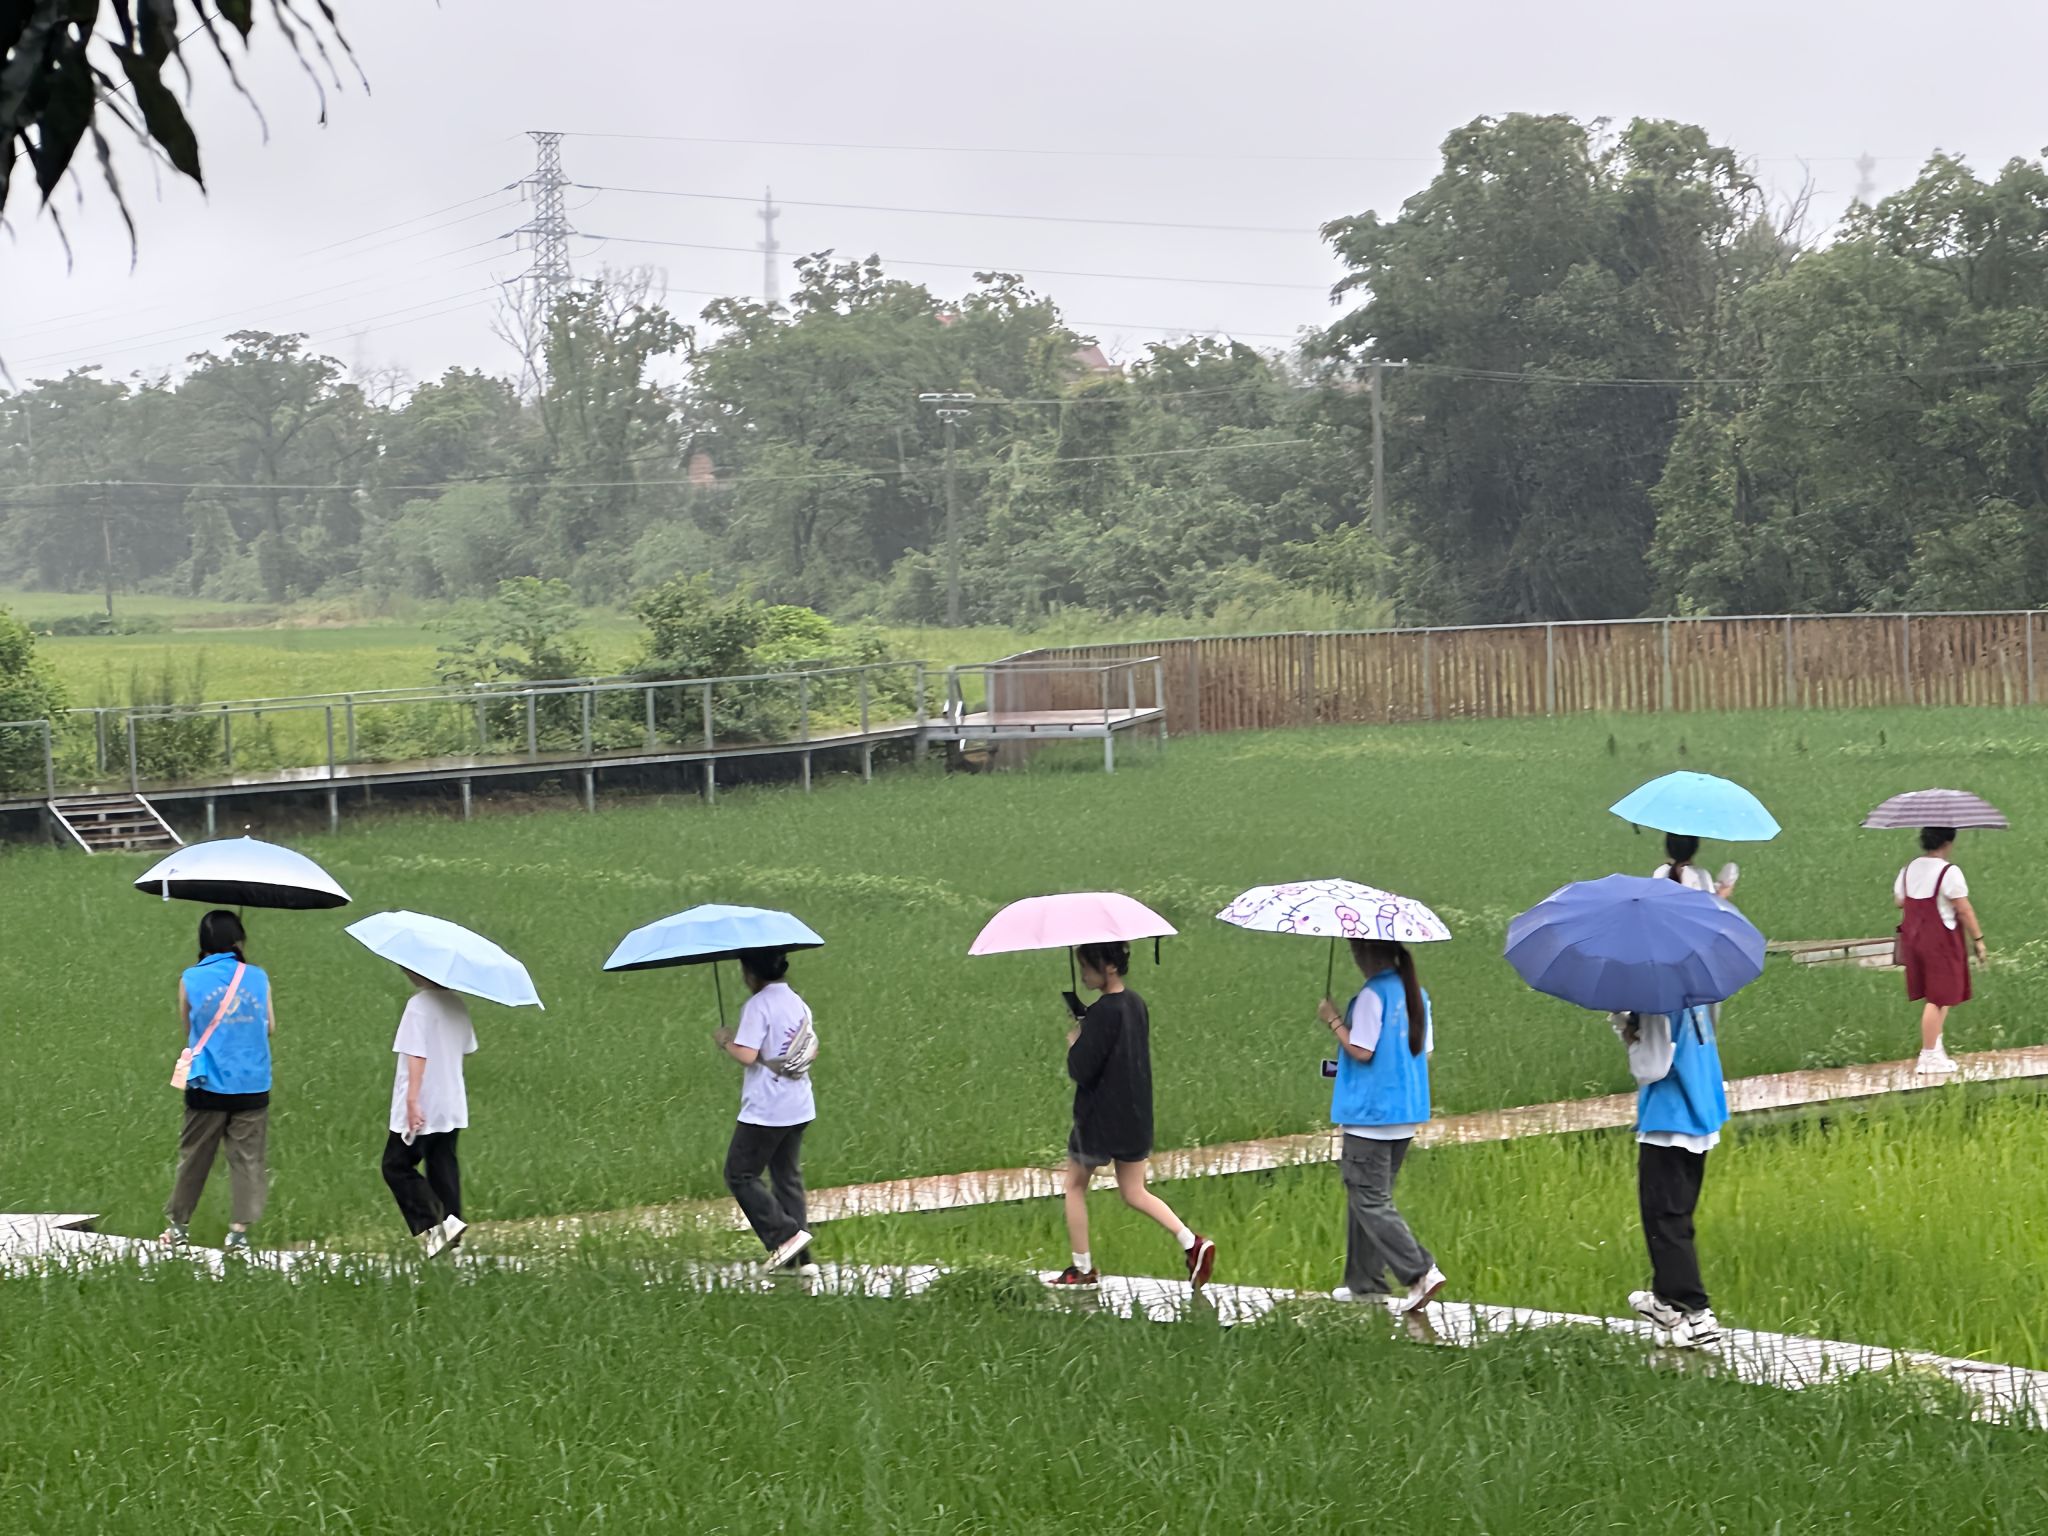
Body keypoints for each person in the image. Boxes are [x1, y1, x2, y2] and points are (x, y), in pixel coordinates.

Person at [1052, 940, 1216, 1290]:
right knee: (1134, 1191)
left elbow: (1081, 1069)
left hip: (1098, 1118)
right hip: (1134, 1114)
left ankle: (1082, 1269)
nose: (1083, 974)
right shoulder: (1136, 1004)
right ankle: (1191, 1242)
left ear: (1109, 966)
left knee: (1074, 1186)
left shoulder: (1102, 1013)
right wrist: (1089, 1025)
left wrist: (1076, 1041)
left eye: (1088, 967)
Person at [1316, 938, 1446, 1315]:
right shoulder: (1416, 993)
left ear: (1365, 953)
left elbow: (1362, 1050)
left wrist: (1333, 1020)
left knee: (1369, 1198)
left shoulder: (1372, 995)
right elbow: (1423, 1051)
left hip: (1371, 1115)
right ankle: (1365, 1284)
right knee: (1368, 1198)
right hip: (1404, 1112)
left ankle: (1419, 1271)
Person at [1614, 1004, 1728, 1350]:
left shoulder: (1655, 998)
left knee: (1663, 1219)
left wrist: (1628, 1032)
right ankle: (1665, 1302)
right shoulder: (1699, 990)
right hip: (1702, 1108)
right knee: (1677, 1214)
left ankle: (1696, 1313)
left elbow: (1651, 1067)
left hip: (1668, 1118)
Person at [160, 910, 274, 1254]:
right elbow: (270, 1026)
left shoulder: (190, 978)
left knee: (194, 1156)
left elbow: (189, 1029)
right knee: (247, 1159)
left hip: (207, 1083)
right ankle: (238, 1234)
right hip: (253, 1084)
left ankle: (178, 1228)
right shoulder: (258, 976)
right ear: (238, 941)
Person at [714, 948, 820, 1275]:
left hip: (767, 1108)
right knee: (786, 1178)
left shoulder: (758, 1005)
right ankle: (801, 1262)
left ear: (750, 972)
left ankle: (783, 1236)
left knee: (740, 1174)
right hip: (798, 1104)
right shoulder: (797, 1002)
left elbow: (747, 1055)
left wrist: (726, 1041)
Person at [380, 968, 477, 1259]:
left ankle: (435, 1224)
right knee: (442, 1163)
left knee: (396, 1166)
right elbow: (467, 1047)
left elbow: (416, 1054)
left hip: (424, 1102)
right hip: (451, 1101)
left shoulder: (418, 1006)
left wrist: (412, 1100)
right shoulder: (456, 1003)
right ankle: (451, 1228)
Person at [1894, 826, 1987, 1074]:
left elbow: (1899, 901)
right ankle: (1929, 1056)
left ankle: (1936, 1047)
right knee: (1936, 1000)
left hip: (1914, 940)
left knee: (1940, 995)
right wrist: (1978, 939)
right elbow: (1964, 909)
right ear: (1948, 842)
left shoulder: (1909, 869)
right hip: (1940, 942)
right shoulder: (1948, 872)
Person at [1653, 833, 1736, 900]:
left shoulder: (1660, 872)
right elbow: (1710, 904)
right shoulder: (1701, 876)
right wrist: (1723, 891)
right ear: (1695, 847)